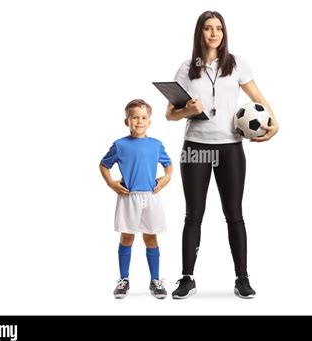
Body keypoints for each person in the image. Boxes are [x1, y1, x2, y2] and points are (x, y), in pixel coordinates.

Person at [166, 11, 279, 299]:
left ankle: (242, 278)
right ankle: (187, 278)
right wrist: (187, 111)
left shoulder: (237, 64)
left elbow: (258, 98)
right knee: (194, 215)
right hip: (196, 147)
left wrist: (274, 121)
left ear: (224, 33)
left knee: (234, 214)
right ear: (199, 33)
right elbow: (170, 115)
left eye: (218, 28)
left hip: (230, 147)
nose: (214, 34)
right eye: (207, 28)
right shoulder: (187, 68)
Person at [100, 99, 173, 299]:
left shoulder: (156, 145)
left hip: (151, 197)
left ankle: (155, 280)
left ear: (149, 121)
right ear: (127, 121)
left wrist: (165, 179)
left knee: (151, 237)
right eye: (134, 117)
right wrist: (111, 183)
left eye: (143, 117)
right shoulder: (120, 145)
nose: (139, 121)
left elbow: (168, 165)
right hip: (128, 197)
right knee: (127, 237)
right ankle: (123, 280)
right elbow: (104, 165)